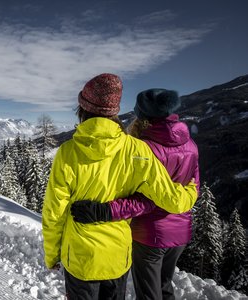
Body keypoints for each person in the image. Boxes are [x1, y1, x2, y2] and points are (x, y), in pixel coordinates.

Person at [41, 74, 198, 300]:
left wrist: (51, 255)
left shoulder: (68, 152)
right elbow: (173, 201)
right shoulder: (138, 151)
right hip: (117, 257)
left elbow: (54, 212)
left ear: (83, 109)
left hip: (80, 258)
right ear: (114, 111)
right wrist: (191, 190)